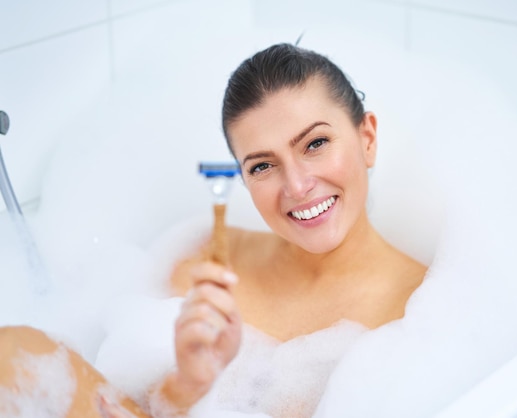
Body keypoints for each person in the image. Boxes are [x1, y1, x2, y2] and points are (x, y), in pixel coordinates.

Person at [0, 43, 427, 418]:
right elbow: (147, 403)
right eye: (262, 166)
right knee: (11, 352)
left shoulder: (422, 309)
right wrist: (188, 385)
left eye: (315, 144)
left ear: (367, 138)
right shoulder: (202, 260)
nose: (297, 186)